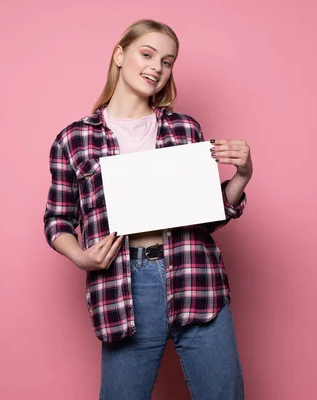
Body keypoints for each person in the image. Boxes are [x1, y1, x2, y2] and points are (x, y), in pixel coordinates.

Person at [43, 19, 252, 400]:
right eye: (147, 53)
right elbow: (57, 219)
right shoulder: (74, 138)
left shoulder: (185, 129)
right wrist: (81, 257)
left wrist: (241, 177)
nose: (157, 67)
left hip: (195, 276)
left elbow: (207, 216)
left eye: (168, 61)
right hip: (123, 287)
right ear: (120, 55)